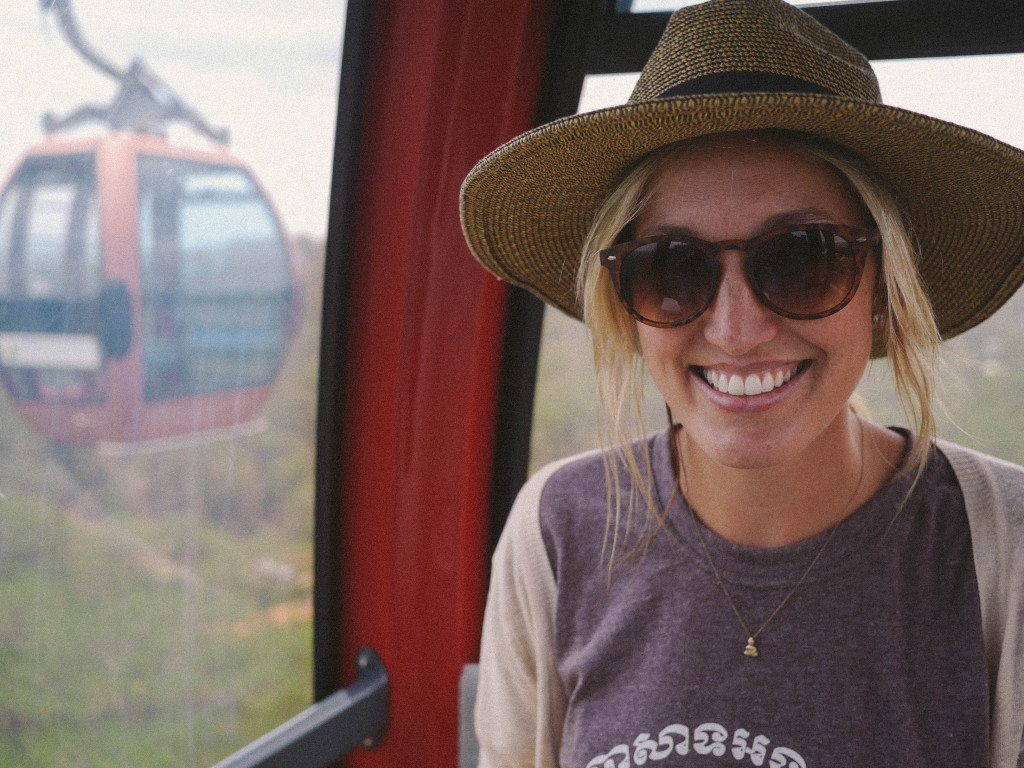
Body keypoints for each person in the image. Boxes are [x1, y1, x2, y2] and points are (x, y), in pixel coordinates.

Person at [459, 1, 1024, 766]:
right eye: (671, 269)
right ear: (625, 307)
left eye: (801, 257)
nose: (735, 328)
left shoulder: (1000, 545)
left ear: (886, 284)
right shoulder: (558, 531)